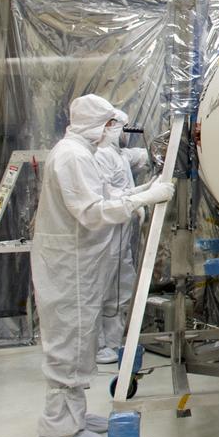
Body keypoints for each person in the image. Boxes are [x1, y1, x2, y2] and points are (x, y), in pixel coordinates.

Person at [31, 94, 175, 437]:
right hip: (70, 267)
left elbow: (109, 194)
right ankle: (58, 433)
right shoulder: (73, 156)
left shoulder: (82, 153)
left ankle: (73, 417)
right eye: (110, 123)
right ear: (95, 123)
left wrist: (144, 191)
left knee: (79, 341)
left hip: (78, 263)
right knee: (70, 345)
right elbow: (93, 212)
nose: (115, 130)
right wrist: (143, 199)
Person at [95, 109, 150, 364]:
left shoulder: (117, 154)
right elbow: (106, 195)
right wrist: (139, 197)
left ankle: (114, 341)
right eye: (121, 127)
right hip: (105, 234)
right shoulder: (101, 155)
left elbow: (140, 156)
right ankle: (100, 346)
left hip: (119, 234)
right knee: (104, 289)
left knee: (119, 288)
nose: (125, 133)